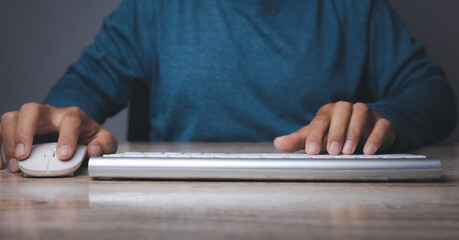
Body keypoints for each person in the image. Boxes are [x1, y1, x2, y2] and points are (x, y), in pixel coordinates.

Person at [0, 0, 456, 173]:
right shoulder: (153, 10)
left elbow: (434, 95)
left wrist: (383, 119)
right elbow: (78, 94)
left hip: (333, 218)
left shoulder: (357, 10)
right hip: (176, 216)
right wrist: (59, 121)